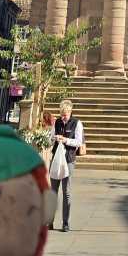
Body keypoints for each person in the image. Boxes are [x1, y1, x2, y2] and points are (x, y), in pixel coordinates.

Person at [49, 99, 83, 232]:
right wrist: (52, 139)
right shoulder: (57, 123)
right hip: (56, 160)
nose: (63, 117)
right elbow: (50, 140)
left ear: (70, 112)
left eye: (65, 115)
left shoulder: (76, 123)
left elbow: (79, 142)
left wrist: (66, 140)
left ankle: (65, 222)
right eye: (61, 114)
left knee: (66, 191)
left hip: (68, 159)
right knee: (53, 190)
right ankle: (50, 221)